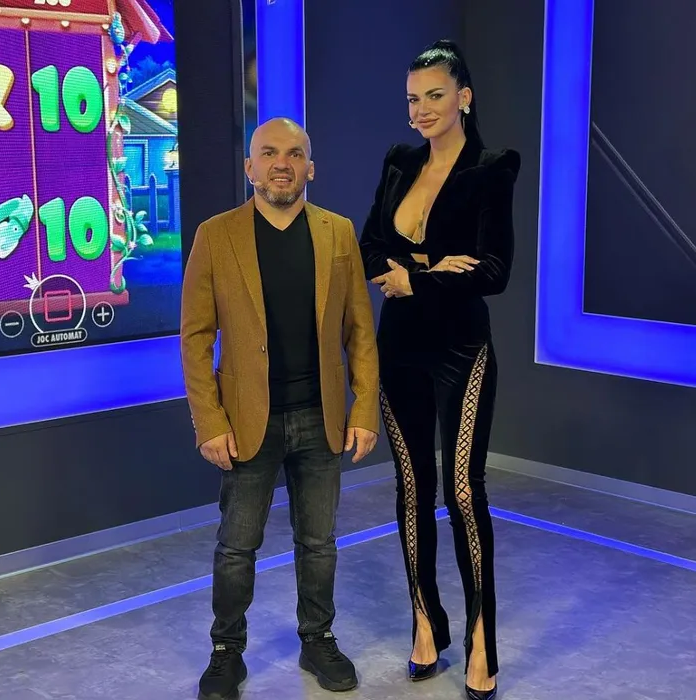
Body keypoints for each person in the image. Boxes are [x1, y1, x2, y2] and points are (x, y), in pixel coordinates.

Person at [181, 117, 380, 700]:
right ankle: (226, 651)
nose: (281, 164)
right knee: (236, 546)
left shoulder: (339, 233)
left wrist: (364, 409)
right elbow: (195, 338)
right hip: (248, 422)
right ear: (250, 167)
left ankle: (317, 639)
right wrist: (209, 421)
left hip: (322, 418)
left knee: (318, 543)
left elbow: (360, 332)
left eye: (294, 154)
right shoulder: (216, 235)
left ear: (310, 167)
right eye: (268, 153)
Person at [359, 40, 520, 700]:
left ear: (464, 97)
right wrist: (434, 267)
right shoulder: (399, 161)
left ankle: (482, 638)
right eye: (412, 99)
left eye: (434, 95)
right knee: (411, 488)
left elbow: (493, 271)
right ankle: (425, 623)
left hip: (460, 347)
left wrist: (413, 278)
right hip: (398, 345)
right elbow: (368, 246)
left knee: (462, 490)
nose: (421, 109)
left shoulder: (491, 167)